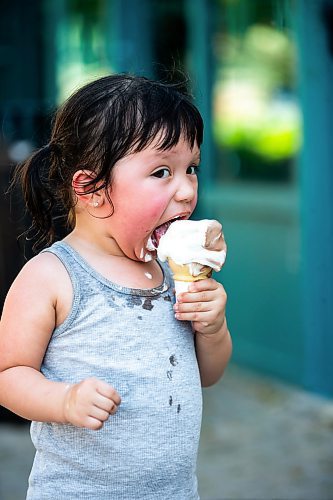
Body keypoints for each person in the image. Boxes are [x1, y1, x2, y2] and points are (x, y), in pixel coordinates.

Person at [0, 74, 232, 499]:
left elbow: (208, 375)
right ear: (90, 189)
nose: (186, 190)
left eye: (191, 168)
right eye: (162, 171)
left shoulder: (171, 271)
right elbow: (8, 374)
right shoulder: (52, 276)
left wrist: (213, 327)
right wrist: (63, 401)